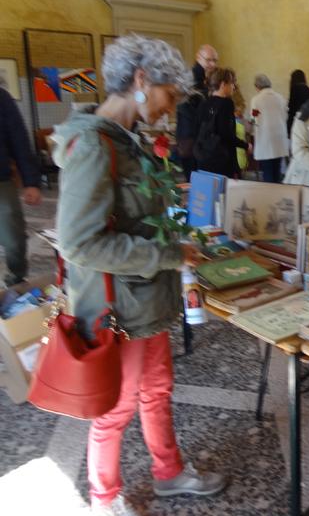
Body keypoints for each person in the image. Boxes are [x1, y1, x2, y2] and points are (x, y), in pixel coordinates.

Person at [50, 34, 225, 516]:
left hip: (146, 301)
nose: (170, 108)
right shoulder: (93, 145)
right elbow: (79, 243)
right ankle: (104, 499)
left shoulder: (128, 141)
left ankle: (168, 474)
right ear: (142, 80)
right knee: (116, 408)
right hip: (118, 309)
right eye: (169, 95)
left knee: (157, 391)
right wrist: (167, 253)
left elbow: (134, 215)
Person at [0, 87, 41, 286]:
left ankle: (16, 282)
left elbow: (19, 139)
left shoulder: (1, 97)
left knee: (14, 240)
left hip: (2, 182)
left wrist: (31, 182)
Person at [194, 68, 250, 178]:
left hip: (204, 157)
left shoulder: (203, 103)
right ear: (223, 84)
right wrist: (245, 145)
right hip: (221, 159)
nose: (233, 87)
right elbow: (227, 135)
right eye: (232, 83)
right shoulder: (226, 103)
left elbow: (197, 130)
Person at [175, 45, 218, 179]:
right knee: (195, 178)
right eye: (208, 60)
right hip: (191, 137)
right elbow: (184, 106)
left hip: (194, 136)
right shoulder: (192, 78)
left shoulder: (202, 78)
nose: (212, 64)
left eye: (215, 61)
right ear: (198, 57)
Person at [250, 73, 289, 182]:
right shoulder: (280, 98)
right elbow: (285, 116)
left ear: (257, 86)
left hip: (265, 141)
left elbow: (254, 119)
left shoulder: (256, 100)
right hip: (279, 140)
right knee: (277, 172)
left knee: (267, 173)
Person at [286, 69, 309, 137]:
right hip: (307, 121)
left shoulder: (294, 89)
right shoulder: (308, 89)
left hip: (296, 121)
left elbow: (291, 108)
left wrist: (288, 127)